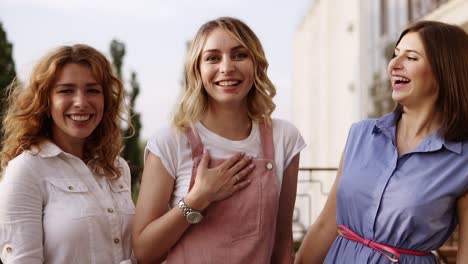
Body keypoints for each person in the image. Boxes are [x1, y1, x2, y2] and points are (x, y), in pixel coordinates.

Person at [133, 17, 306, 264]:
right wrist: (197, 199)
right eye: (213, 58)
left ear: (256, 64)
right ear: (197, 70)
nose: (227, 67)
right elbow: (144, 252)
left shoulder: (284, 138)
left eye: (239, 55)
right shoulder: (170, 142)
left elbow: (282, 243)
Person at [295, 20, 468, 263]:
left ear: (444, 70)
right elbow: (326, 224)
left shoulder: (462, 160)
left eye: (411, 57)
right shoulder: (361, 134)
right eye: (395, 55)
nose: (394, 65)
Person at [0, 44, 135, 264]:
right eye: (66, 90)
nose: (81, 102)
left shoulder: (118, 168)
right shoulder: (25, 171)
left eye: (92, 90)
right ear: (46, 100)